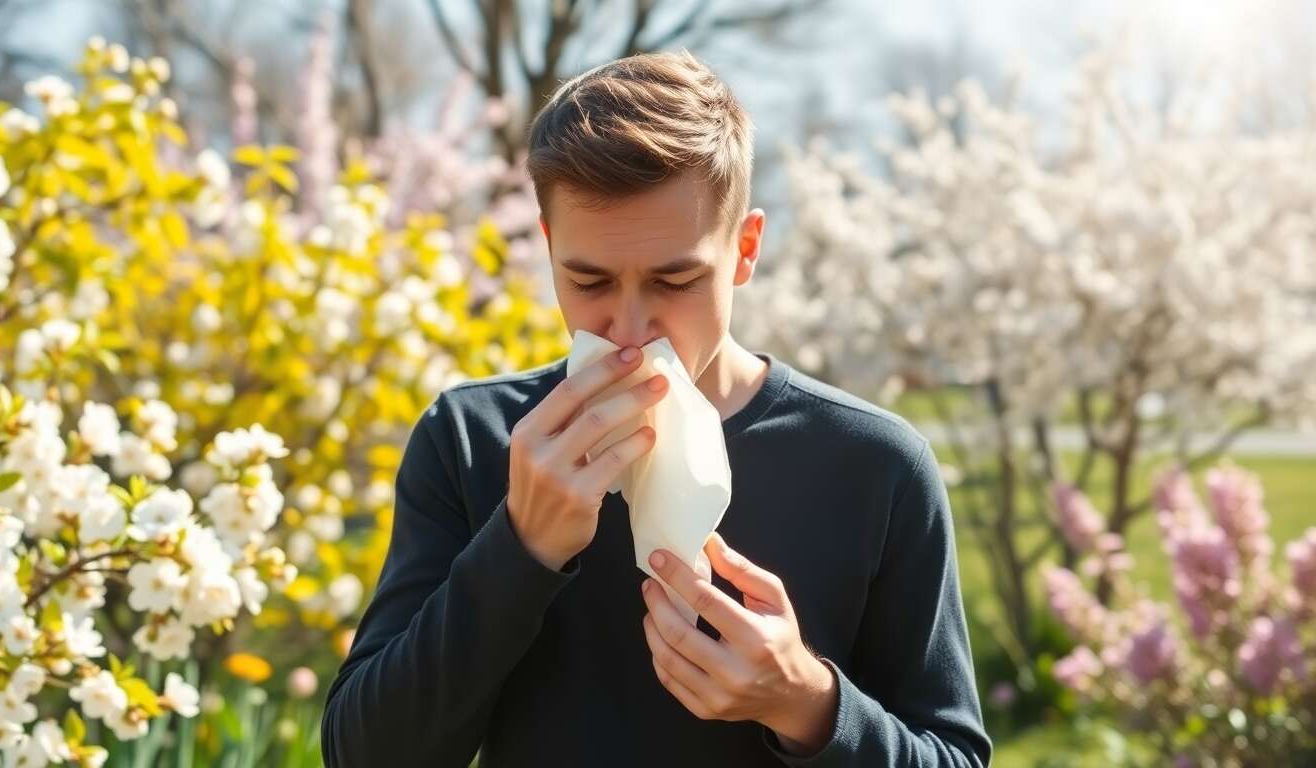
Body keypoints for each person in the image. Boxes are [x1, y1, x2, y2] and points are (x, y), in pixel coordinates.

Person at [321, 50, 991, 768]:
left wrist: (807, 703)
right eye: (589, 282)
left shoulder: (874, 464)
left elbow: (953, 754)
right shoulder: (470, 437)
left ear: (745, 250)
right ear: (548, 248)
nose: (630, 331)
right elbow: (362, 756)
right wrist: (520, 547)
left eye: (675, 281)